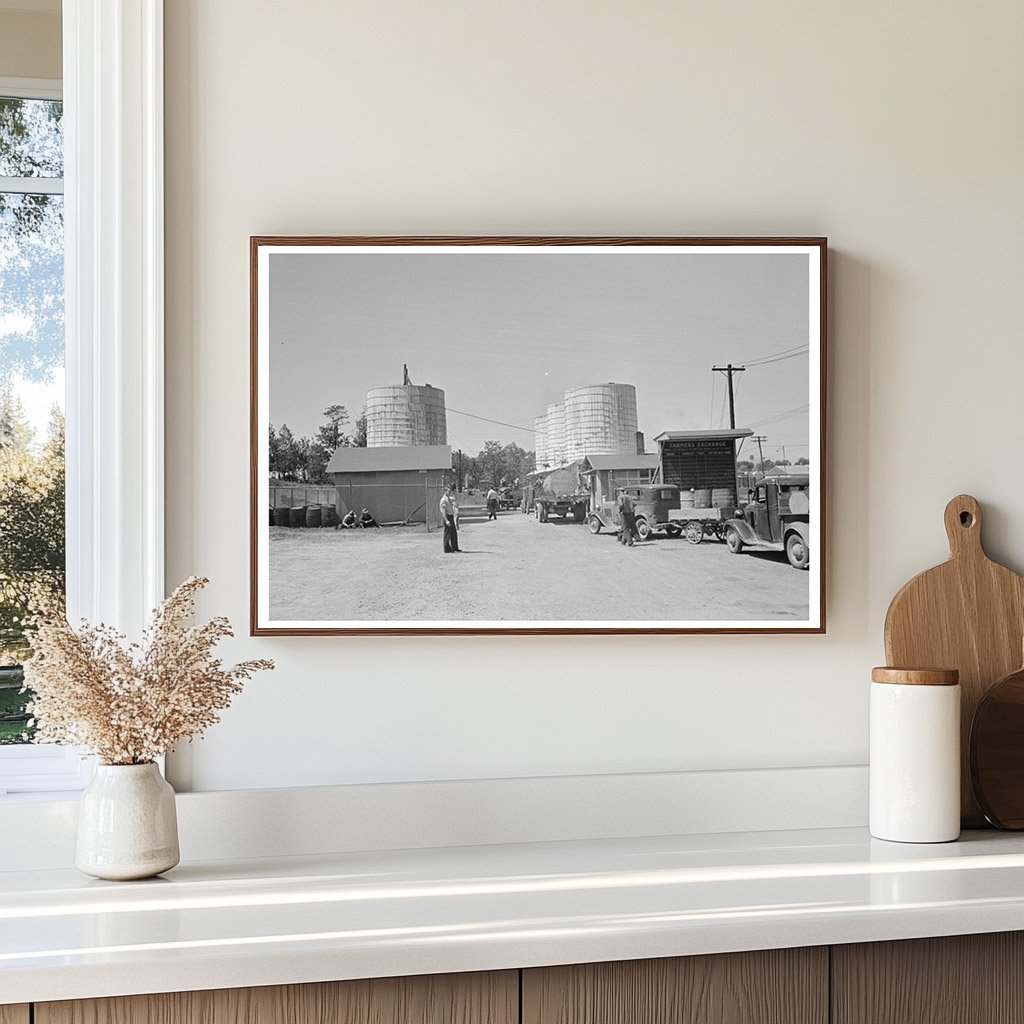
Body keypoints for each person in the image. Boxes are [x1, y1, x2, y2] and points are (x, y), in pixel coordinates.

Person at [439, 484, 461, 553]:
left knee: (453, 533)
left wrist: (455, 492)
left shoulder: (448, 498)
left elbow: (455, 499)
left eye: (450, 491)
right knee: (447, 534)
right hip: (447, 517)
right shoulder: (444, 500)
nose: (450, 492)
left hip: (451, 516)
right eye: (449, 491)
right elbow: (443, 511)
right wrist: (446, 520)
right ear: (445, 491)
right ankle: (447, 549)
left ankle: (455, 547)